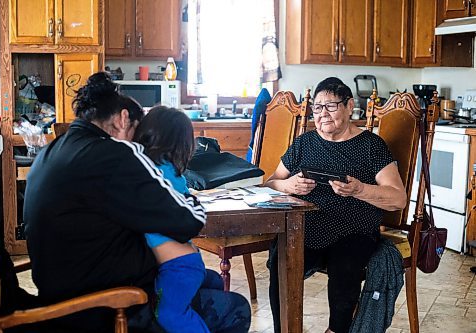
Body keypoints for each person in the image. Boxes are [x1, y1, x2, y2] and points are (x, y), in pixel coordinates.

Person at [24, 72, 251, 333]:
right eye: (137, 134)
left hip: (64, 300)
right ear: (123, 119)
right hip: (104, 307)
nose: (139, 145)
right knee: (235, 308)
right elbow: (189, 221)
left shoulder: (53, 151)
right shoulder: (114, 154)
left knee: (207, 281)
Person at [264, 77, 407, 333]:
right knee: (281, 257)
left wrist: (359, 189)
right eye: (317, 108)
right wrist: (288, 186)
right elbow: (271, 182)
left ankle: (337, 330)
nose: (322, 114)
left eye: (330, 106)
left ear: (349, 105)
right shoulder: (304, 143)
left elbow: (398, 198)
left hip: (354, 229)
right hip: (307, 227)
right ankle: (283, 329)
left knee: (346, 266)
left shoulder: (371, 146)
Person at [133, 105, 221, 333]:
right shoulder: (171, 172)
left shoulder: (151, 172)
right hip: (186, 262)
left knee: (169, 315)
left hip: (177, 267)